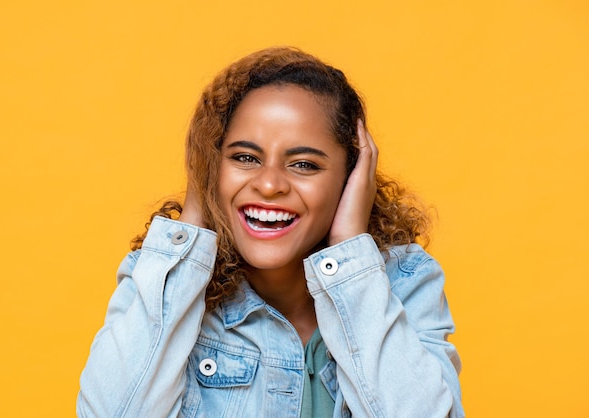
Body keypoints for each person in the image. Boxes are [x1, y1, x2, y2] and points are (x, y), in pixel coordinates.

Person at [77, 46, 464, 417]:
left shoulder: (404, 281)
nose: (269, 184)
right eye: (245, 158)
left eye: (304, 164)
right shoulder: (162, 283)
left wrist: (349, 246)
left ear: (351, 180)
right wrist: (197, 211)